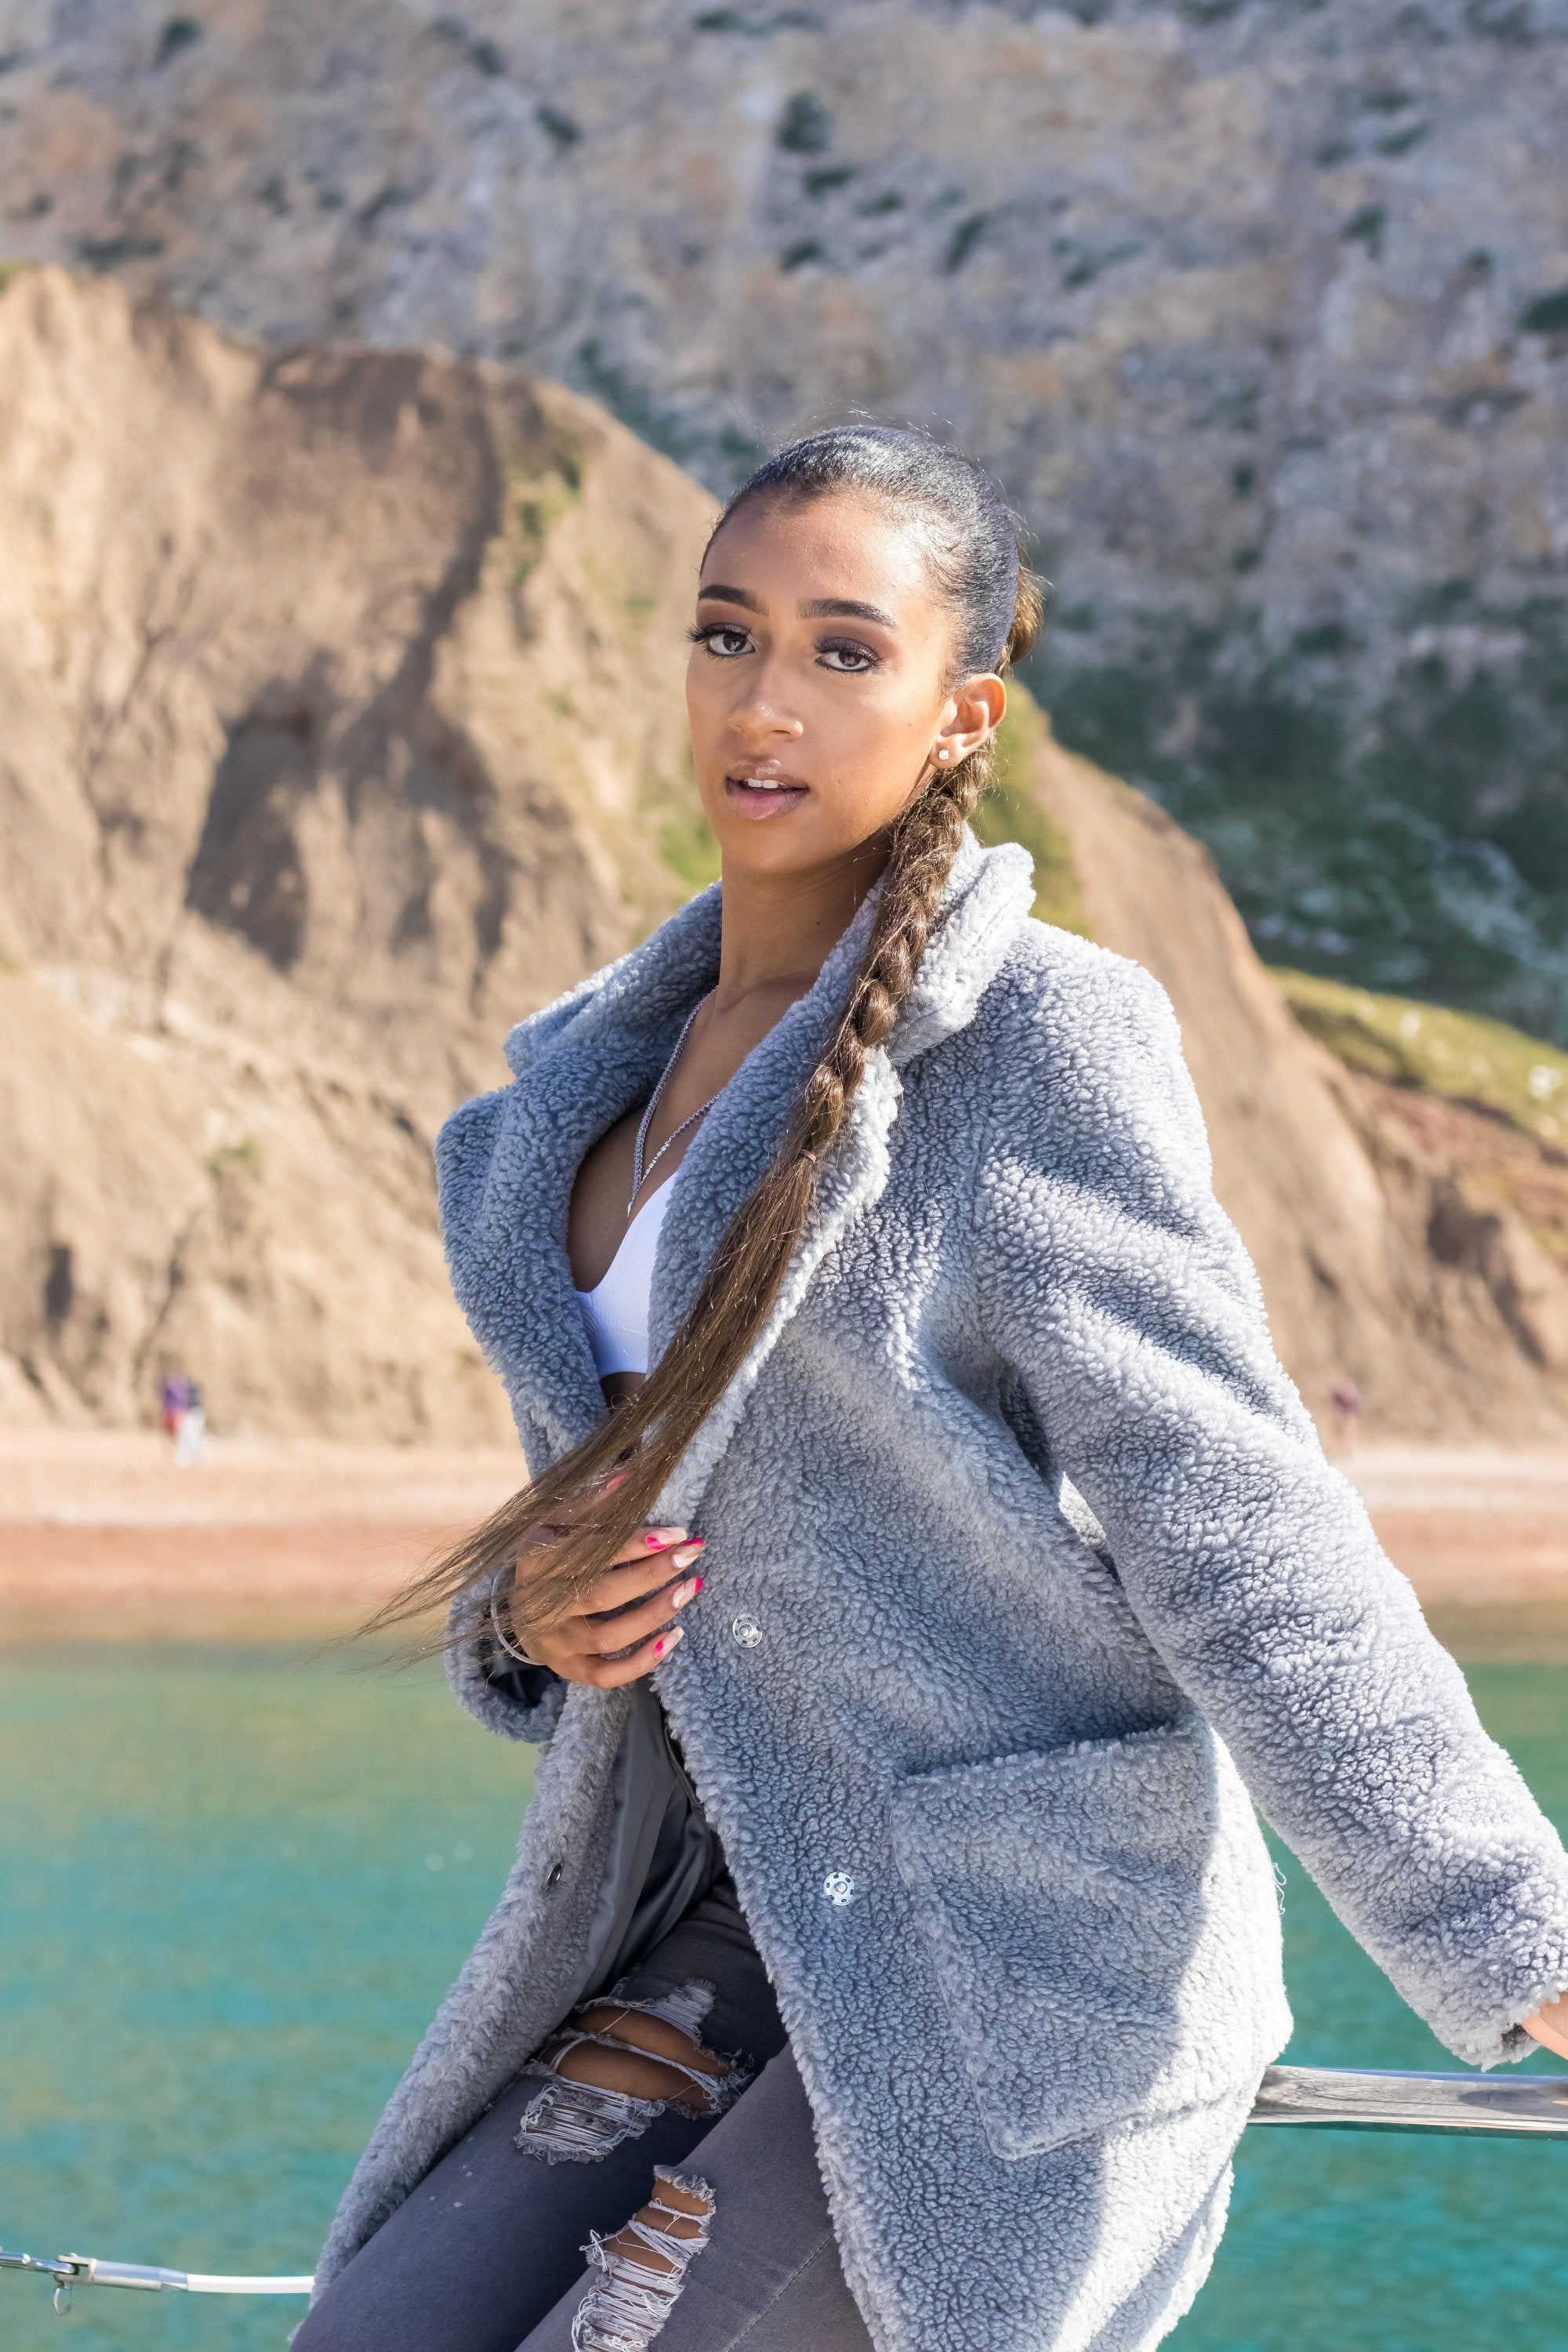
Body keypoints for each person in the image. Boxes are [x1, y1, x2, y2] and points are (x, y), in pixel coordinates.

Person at [297, 427, 1568, 2352]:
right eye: (729, 635)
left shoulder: (1037, 1043)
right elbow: (586, 1553)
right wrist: (527, 1622)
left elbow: (1238, 1531)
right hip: (701, 1914)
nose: (765, 701)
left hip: (1008, 1950)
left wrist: (1512, 1936)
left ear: (961, 708)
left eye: (841, 650)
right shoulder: (544, 1119)